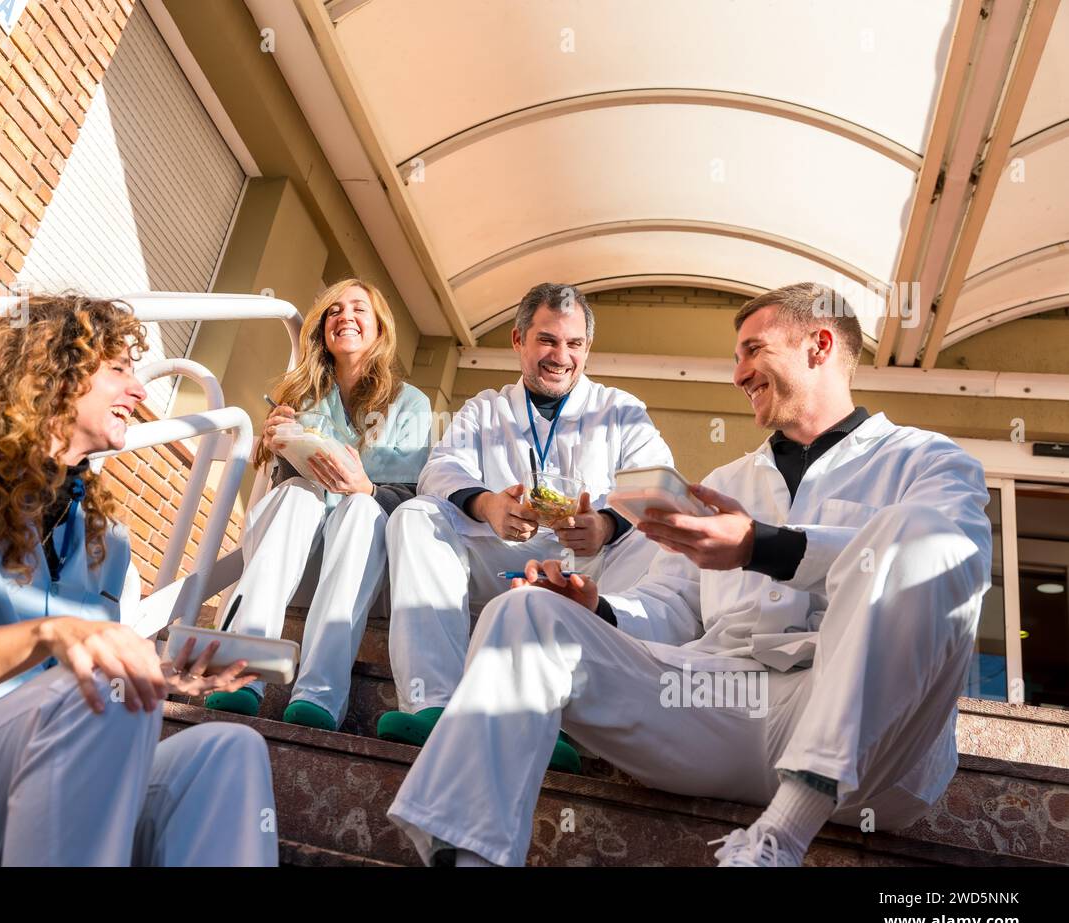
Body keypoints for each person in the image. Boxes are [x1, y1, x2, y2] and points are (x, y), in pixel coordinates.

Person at [385, 282, 992, 867]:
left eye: (754, 350)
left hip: (871, 744)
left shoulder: (928, 460)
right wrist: (597, 608)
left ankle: (781, 834)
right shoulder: (725, 484)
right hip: (716, 700)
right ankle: (468, 856)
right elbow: (670, 609)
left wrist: (762, 545)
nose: (738, 374)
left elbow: (948, 562)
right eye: (736, 358)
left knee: (925, 536)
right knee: (524, 611)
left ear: (820, 346)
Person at [0, 295, 279, 866]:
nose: (140, 392)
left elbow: (74, 691)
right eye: (118, 369)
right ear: (52, 373)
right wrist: (53, 634)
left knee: (228, 751)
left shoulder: (104, 538)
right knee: (97, 687)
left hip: (38, 800)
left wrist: (162, 677)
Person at [379, 282, 675, 772]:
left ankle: (562, 722)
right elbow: (439, 468)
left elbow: (659, 483)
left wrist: (605, 524)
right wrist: (488, 505)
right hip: (500, 552)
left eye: (574, 344)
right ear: (518, 340)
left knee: (655, 537)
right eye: (547, 340)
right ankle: (432, 704)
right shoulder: (485, 408)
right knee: (416, 513)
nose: (561, 356)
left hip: (588, 561)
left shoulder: (620, 409)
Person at [204, 278, 431, 731]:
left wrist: (366, 488)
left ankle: (320, 695)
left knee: (362, 509)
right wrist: (277, 443)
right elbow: (288, 478)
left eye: (358, 309)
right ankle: (240, 673)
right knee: (297, 498)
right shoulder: (299, 394)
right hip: (293, 553)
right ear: (322, 328)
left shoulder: (413, 404)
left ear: (381, 329)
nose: (344, 317)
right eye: (333, 311)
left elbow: (411, 499)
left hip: (359, 558)